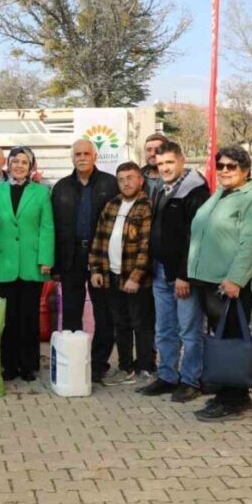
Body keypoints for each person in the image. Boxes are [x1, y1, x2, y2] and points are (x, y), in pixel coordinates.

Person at [187, 146, 252, 421]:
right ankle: (224, 392)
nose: (225, 170)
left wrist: (236, 279)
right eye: (221, 166)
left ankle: (235, 398)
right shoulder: (220, 195)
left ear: (245, 170)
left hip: (230, 283)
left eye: (232, 166)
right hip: (208, 280)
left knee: (233, 341)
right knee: (221, 338)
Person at [138, 141, 210, 402]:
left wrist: (184, 274)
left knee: (189, 331)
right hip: (160, 271)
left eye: (170, 162)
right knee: (164, 329)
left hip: (182, 275)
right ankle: (168, 376)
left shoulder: (196, 192)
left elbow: (195, 238)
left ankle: (190, 380)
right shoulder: (161, 189)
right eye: (161, 163)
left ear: (182, 160)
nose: (165, 167)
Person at [51, 139, 119, 383]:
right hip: (70, 258)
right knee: (71, 311)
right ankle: (74, 359)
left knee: (104, 313)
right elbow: (54, 228)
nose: (82, 157)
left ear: (95, 156)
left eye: (86, 153)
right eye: (77, 153)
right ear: (72, 158)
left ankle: (99, 363)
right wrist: (55, 265)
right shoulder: (60, 187)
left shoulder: (110, 184)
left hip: (101, 258)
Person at [0, 146, 54, 381]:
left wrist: (46, 259)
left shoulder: (41, 192)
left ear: (31, 166)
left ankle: (28, 365)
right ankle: (8, 365)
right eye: (15, 161)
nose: (19, 166)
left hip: (31, 263)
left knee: (29, 317)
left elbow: (47, 227)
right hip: (3, 263)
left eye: (24, 162)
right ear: (8, 165)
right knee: (7, 318)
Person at [89, 162, 155, 387]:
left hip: (136, 279)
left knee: (142, 324)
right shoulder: (112, 205)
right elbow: (99, 238)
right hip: (112, 275)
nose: (126, 183)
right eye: (121, 179)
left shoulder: (146, 206)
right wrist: (96, 269)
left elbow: (147, 246)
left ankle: (146, 367)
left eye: (130, 178)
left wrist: (135, 277)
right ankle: (125, 367)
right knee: (121, 324)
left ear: (140, 180)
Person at [141, 133, 168, 200]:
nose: (152, 154)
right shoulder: (137, 176)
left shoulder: (179, 178)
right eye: (149, 150)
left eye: (157, 149)